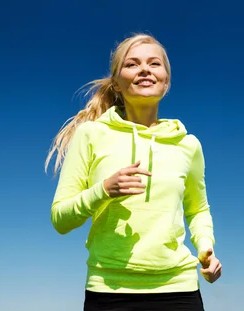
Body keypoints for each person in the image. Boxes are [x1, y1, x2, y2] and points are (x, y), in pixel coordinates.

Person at [45, 33, 222, 311]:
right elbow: (60, 219)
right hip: (109, 290)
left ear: (166, 81)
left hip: (179, 289)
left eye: (154, 64)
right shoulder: (91, 135)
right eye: (132, 64)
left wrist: (206, 248)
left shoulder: (188, 145)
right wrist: (103, 190)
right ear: (116, 82)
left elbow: (197, 209)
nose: (144, 70)